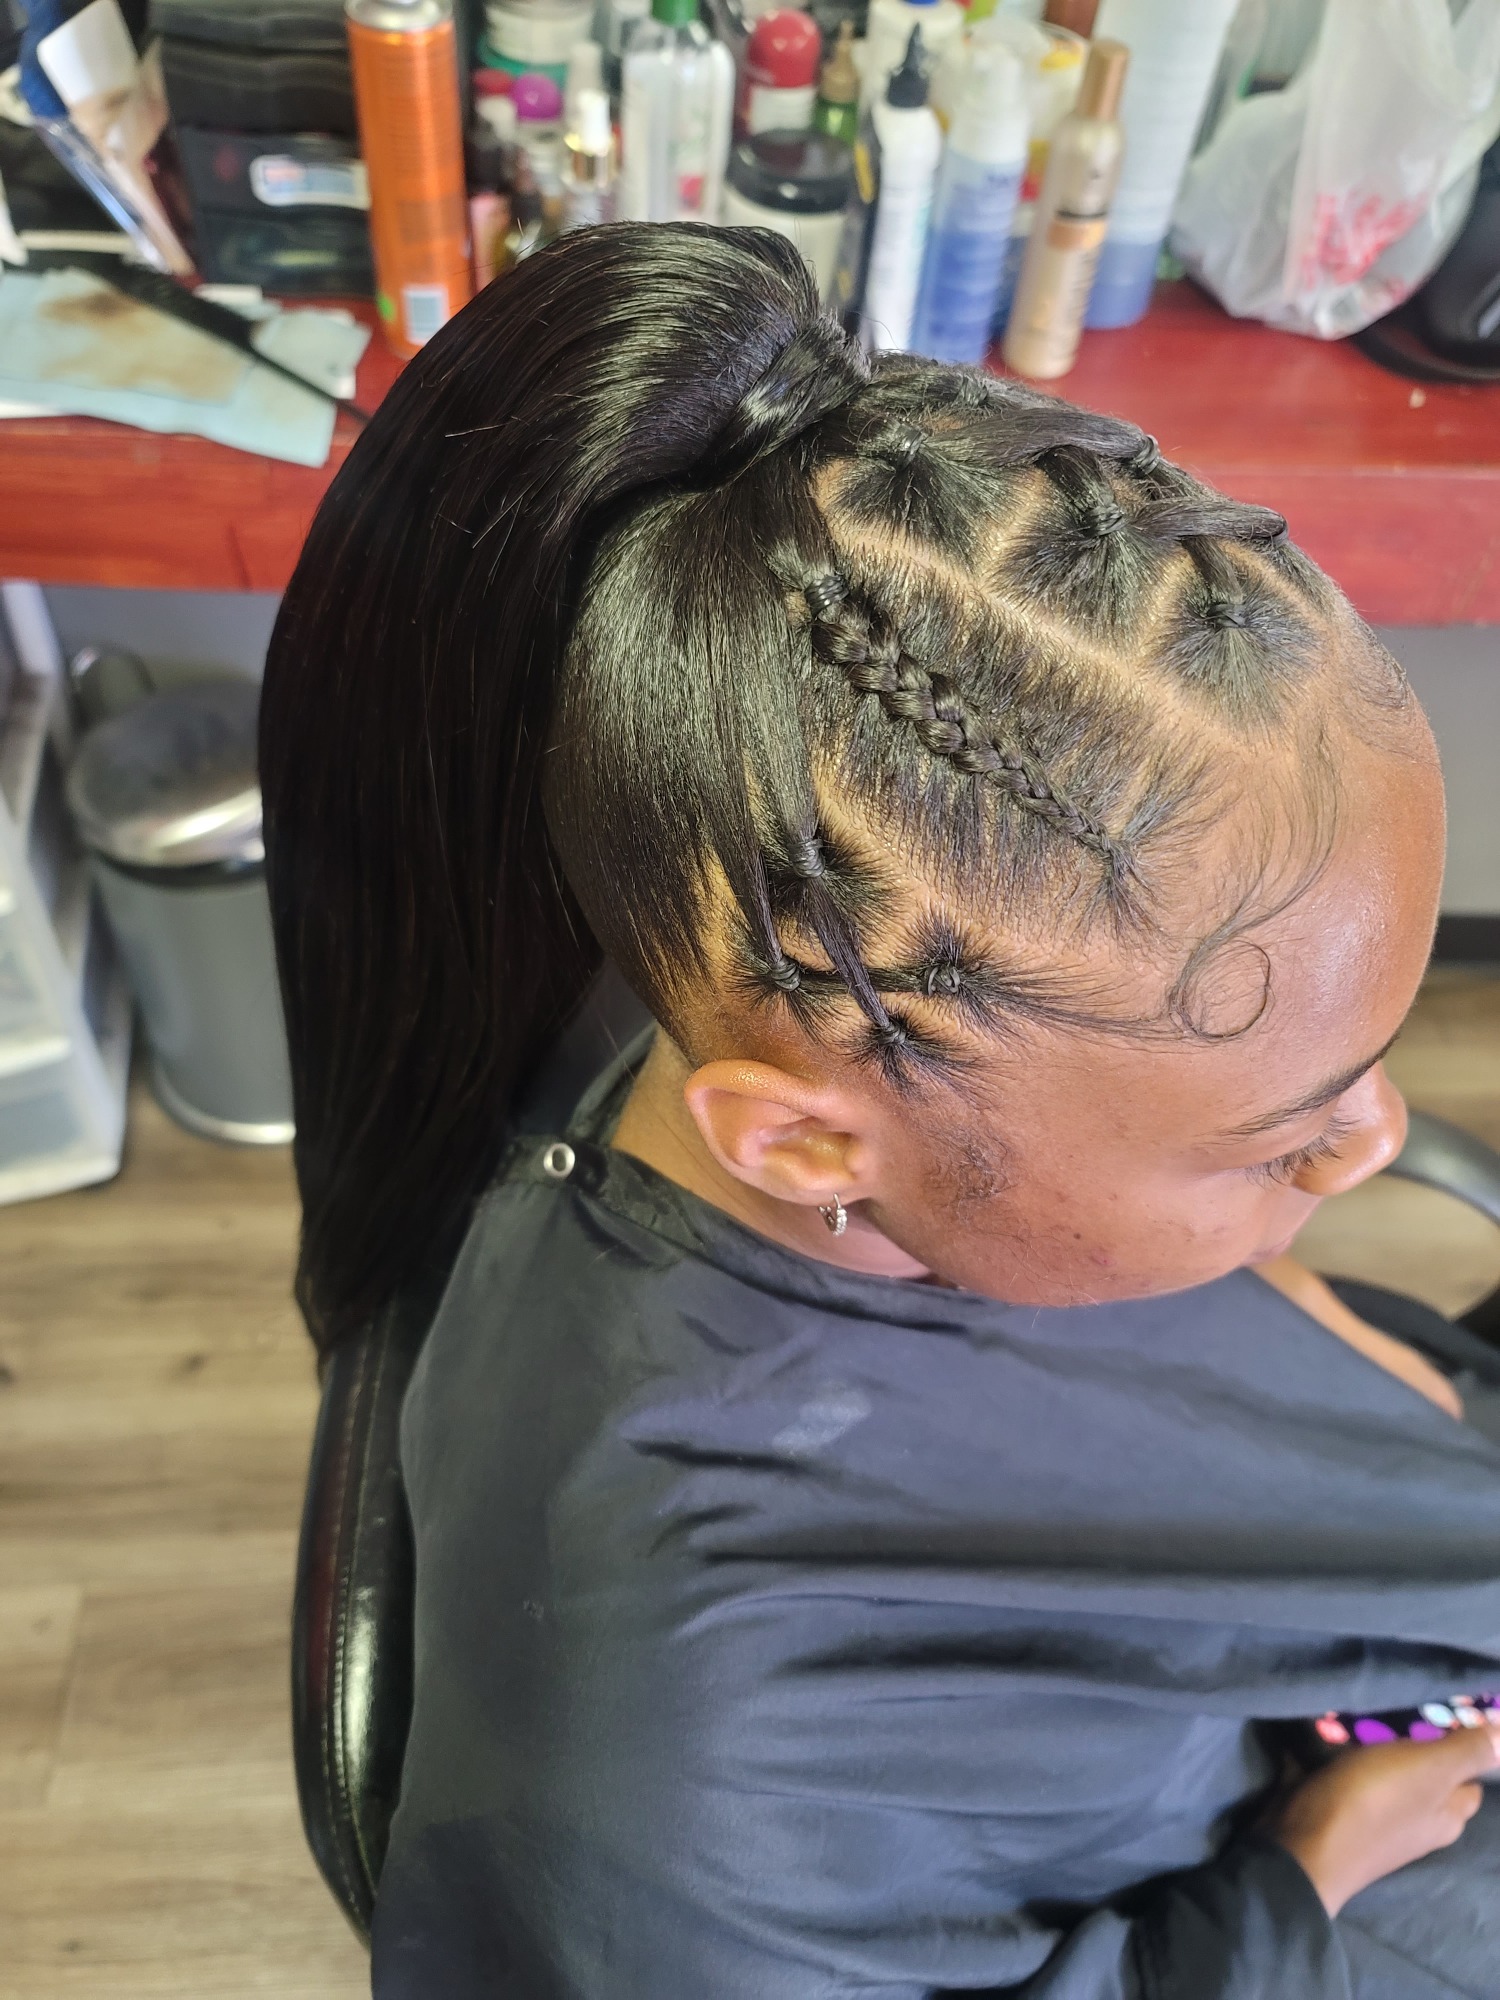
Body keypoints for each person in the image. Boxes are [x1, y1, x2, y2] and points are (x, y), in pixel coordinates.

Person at [260, 226, 1500, 1998]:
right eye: (1273, 1132)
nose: (1371, 1145)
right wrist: (1293, 1893)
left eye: (1356, 1069)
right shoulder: (664, 1785)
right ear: (807, 1143)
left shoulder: (796, 976)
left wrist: (1281, 1301)